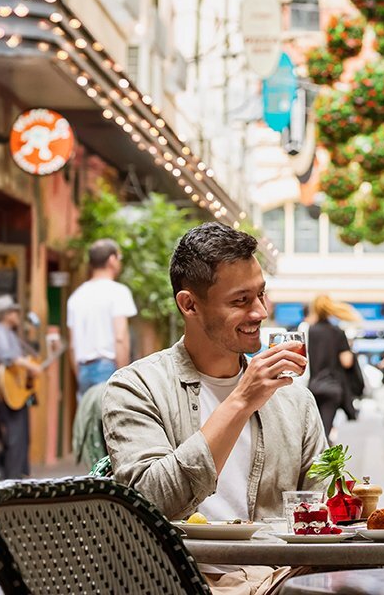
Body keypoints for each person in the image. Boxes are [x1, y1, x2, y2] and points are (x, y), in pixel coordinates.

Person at [102, 223, 328, 593]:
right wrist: (241, 400)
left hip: (281, 580)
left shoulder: (295, 400)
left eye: (261, 295)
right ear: (189, 304)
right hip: (183, 580)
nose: (259, 312)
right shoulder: (136, 387)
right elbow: (148, 503)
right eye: (240, 301)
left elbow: (324, 514)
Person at [67, 238, 136, 402]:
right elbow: (120, 338)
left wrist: (81, 373)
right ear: (112, 260)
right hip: (109, 368)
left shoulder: (77, 296)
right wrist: (124, 375)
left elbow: (72, 345)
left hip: (83, 370)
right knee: (110, 424)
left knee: (88, 424)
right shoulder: (118, 292)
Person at [0, 294, 42, 480]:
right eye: (14, 311)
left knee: (21, 435)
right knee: (14, 436)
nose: (17, 314)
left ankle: (19, 474)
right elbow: (6, 357)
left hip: (16, 391)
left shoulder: (9, 333)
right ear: (5, 314)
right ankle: (12, 477)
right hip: (6, 391)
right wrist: (30, 365)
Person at [306, 294, 360, 440]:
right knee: (324, 431)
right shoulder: (337, 332)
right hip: (331, 388)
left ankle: (315, 458)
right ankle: (322, 459)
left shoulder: (309, 331)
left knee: (312, 431)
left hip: (311, 387)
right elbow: (346, 362)